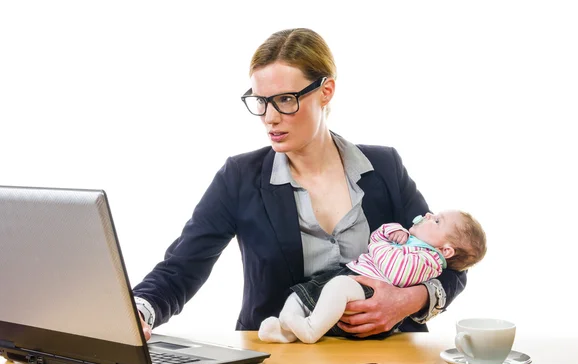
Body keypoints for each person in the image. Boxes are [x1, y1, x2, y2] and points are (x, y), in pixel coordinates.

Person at [132, 28, 468, 341]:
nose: (270, 117)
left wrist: (407, 300)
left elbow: (452, 260)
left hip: (385, 360)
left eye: (286, 99)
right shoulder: (239, 177)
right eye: (261, 101)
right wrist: (139, 310)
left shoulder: (385, 167)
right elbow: (181, 267)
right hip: (279, 358)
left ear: (326, 91)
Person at [258, 210, 486, 344]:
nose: (427, 215)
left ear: (446, 251)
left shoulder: (429, 260)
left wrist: (379, 243)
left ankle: (310, 330)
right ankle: (285, 329)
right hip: (352, 275)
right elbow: (379, 233)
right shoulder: (409, 239)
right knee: (302, 293)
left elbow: (392, 269)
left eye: (436, 221)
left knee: (338, 288)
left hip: (369, 291)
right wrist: (390, 232)